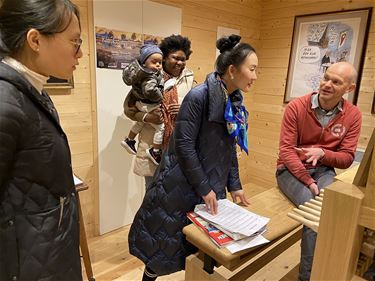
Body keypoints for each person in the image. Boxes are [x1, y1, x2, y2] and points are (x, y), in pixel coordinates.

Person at [128, 34, 255, 281]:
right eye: (252, 69)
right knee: (162, 248)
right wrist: (205, 187)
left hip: (208, 185)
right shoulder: (199, 96)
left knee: (201, 252)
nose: (255, 75)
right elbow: (184, 146)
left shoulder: (234, 101)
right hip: (181, 185)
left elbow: (229, 146)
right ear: (232, 70)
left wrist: (235, 185)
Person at [0, 0, 83, 280]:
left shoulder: (34, 91)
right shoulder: (5, 102)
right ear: (35, 40)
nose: (81, 52)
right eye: (75, 42)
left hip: (48, 253)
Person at [276, 61, 361, 281]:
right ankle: (307, 277)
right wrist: (307, 180)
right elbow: (286, 151)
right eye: (326, 78)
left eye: (336, 82)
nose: (327, 84)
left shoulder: (353, 115)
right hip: (290, 171)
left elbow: (347, 158)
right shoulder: (296, 106)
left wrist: (322, 153)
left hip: (323, 171)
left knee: (335, 210)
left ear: (349, 89)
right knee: (317, 215)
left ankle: (328, 270)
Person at [123, 34, 194, 188]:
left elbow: (195, 108)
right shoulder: (149, 76)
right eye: (175, 58)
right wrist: (148, 117)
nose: (180, 62)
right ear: (164, 58)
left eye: (183, 59)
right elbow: (128, 108)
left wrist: (184, 109)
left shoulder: (188, 78)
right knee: (151, 193)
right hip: (151, 145)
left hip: (177, 145)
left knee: (173, 194)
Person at [121, 44, 164, 165]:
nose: (157, 65)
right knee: (161, 127)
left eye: (160, 62)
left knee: (140, 122)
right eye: (154, 62)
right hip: (149, 105)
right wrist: (161, 98)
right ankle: (155, 151)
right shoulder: (150, 75)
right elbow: (150, 90)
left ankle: (129, 139)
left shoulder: (142, 74)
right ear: (144, 62)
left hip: (142, 104)